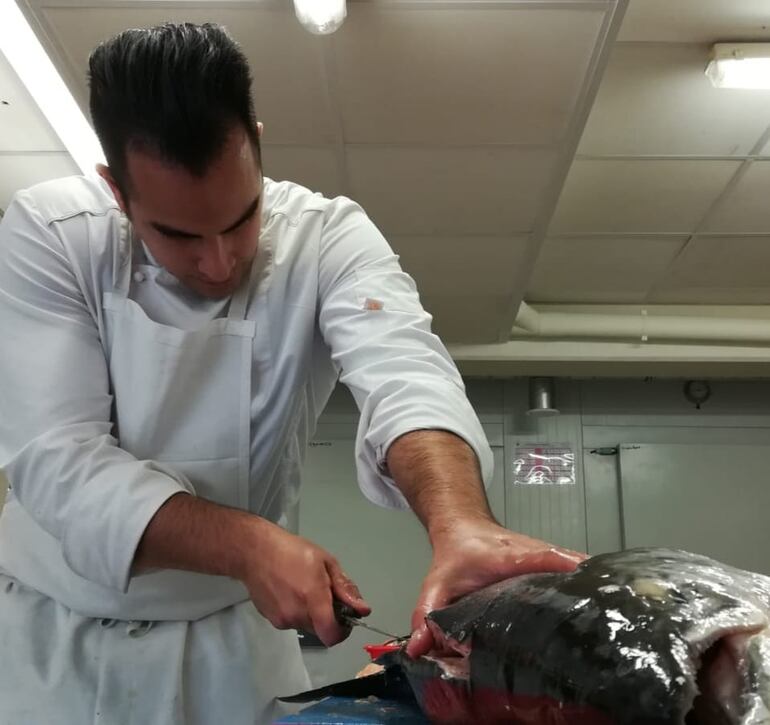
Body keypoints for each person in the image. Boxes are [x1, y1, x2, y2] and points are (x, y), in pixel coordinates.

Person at [0, 22, 582, 724]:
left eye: (242, 219)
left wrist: (460, 522)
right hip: (49, 641)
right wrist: (250, 543)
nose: (219, 263)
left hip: (231, 644)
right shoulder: (54, 233)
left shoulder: (327, 236)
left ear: (258, 140)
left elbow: (406, 373)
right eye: (178, 236)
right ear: (116, 193)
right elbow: (61, 461)